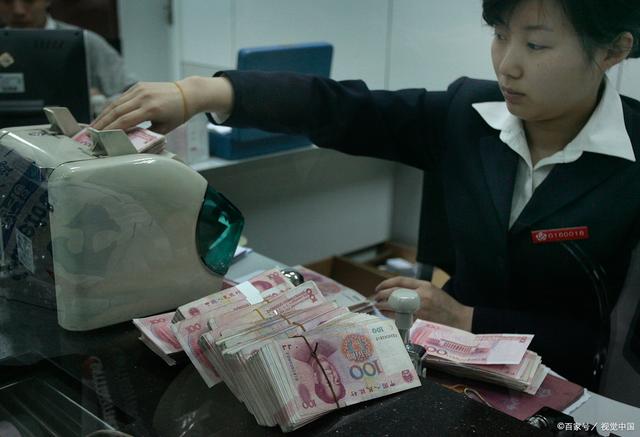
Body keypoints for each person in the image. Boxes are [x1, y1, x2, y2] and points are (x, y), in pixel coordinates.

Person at [93, 0, 640, 390]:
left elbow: (610, 343)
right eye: (500, 34)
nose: (507, 64)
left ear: (613, 51)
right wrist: (203, 91)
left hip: (569, 389)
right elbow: (343, 108)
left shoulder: (630, 164)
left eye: (537, 44)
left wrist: (467, 317)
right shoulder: (469, 115)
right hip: (450, 370)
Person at [0, 0, 136, 102]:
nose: (18, 11)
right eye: (7, 1)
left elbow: (131, 94)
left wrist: (100, 103)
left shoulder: (85, 42)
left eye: (29, 0)